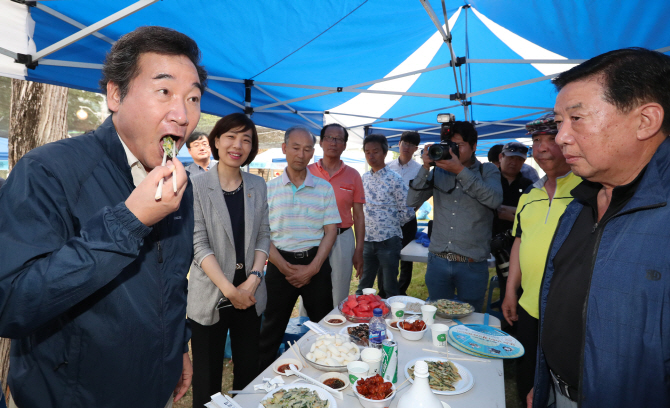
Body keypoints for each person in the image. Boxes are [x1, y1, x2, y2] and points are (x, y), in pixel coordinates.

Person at [0, 26, 207, 407]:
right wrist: (129, 221)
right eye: (164, 91)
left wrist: (178, 347)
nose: (181, 114)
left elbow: (174, 279)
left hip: (152, 387)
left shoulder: (181, 185)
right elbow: (11, 303)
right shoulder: (47, 170)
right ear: (115, 94)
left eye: (193, 98)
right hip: (70, 395)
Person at [531, 48, 670, 408]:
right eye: (559, 121)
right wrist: (546, 382)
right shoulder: (580, 203)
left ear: (645, 121)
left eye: (576, 118)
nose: (560, 138)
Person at [187, 113, 269, 407]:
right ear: (217, 141)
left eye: (246, 139)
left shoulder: (258, 186)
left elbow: (263, 236)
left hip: (250, 293)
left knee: (248, 372)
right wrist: (229, 289)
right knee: (207, 379)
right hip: (211, 291)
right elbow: (199, 243)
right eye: (231, 137)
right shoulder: (195, 185)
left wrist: (253, 278)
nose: (238, 145)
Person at [500, 113, 580, 407]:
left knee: (563, 385)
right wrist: (511, 291)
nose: (542, 147)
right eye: (536, 140)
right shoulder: (528, 195)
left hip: (567, 312)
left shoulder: (588, 190)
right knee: (527, 379)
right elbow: (519, 242)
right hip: (529, 306)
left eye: (550, 139)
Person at [259, 126, 341, 370]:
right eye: (295, 148)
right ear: (284, 149)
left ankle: (325, 375)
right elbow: (262, 234)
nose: (301, 154)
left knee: (324, 327)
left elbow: (331, 231)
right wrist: (284, 267)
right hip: (278, 264)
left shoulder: (324, 188)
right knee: (270, 330)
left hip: (316, 264)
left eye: (307, 149)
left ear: (312, 153)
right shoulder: (267, 189)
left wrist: (313, 268)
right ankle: (260, 379)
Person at [407, 121, 502, 312]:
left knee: (470, 318)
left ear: (474, 146)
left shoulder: (487, 171)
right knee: (437, 315)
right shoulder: (438, 171)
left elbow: (494, 200)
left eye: (458, 146)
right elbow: (411, 200)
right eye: (449, 146)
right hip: (438, 260)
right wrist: (425, 167)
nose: (452, 151)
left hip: (472, 264)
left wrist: (460, 171)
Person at [307, 123, 365, 308]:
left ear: (344, 145)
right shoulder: (307, 172)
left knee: (339, 291)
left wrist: (359, 249)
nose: (333, 142)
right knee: (309, 288)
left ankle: (335, 330)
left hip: (342, 238)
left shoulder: (354, 175)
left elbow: (358, 215)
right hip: (312, 238)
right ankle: (306, 331)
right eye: (329, 138)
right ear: (321, 142)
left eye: (338, 139)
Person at [357, 134, 413, 298]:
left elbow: (407, 211)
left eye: (375, 151)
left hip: (389, 241)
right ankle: (359, 317)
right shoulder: (363, 179)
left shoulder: (395, 178)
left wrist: (390, 225)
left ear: (385, 152)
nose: (371, 156)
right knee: (363, 286)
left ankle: (392, 321)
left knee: (390, 287)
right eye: (367, 152)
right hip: (368, 240)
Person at [386, 131, 422, 296]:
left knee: (406, 257)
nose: (407, 147)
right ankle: (387, 289)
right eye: (404, 143)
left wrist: (412, 210)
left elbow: (422, 194)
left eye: (411, 145)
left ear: (415, 148)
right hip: (389, 220)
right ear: (399, 144)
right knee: (387, 255)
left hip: (409, 219)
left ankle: (401, 290)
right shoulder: (388, 167)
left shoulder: (419, 170)